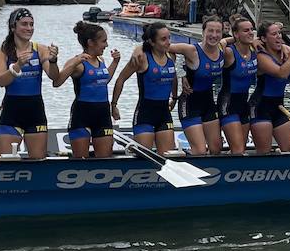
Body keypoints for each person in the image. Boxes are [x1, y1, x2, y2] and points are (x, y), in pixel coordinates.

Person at [0, 8, 61, 159]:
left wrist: (53, 61)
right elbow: (1, 81)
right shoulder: (2, 52)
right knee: (5, 162)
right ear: (13, 27)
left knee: (38, 162)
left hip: (35, 111)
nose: (29, 28)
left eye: (31, 24)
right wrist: (17, 65)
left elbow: (54, 77)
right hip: (12, 111)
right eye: (24, 24)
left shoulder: (40, 49)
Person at [54, 22, 120, 159]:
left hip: (103, 115)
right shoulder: (77, 63)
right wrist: (74, 62)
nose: (106, 45)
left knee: (105, 161)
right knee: (81, 163)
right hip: (81, 115)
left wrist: (115, 62)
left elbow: (104, 80)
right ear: (90, 42)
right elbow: (57, 82)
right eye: (104, 41)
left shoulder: (101, 59)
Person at [111, 23, 180, 154]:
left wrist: (175, 97)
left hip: (164, 114)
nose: (168, 42)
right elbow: (121, 79)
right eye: (163, 39)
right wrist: (114, 105)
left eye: (169, 38)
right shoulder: (141, 57)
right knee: (145, 158)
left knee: (168, 158)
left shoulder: (171, 56)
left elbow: (173, 76)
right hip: (144, 114)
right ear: (152, 42)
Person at [249, 22, 290, 154]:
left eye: (280, 33)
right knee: (264, 152)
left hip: (279, 106)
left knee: (289, 150)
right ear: (263, 39)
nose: (279, 37)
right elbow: (282, 73)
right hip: (260, 107)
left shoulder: (285, 51)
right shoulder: (261, 56)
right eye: (274, 34)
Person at [170, 16, 226, 155]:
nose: (214, 35)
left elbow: (232, 39)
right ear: (203, 32)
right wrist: (181, 72)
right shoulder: (191, 50)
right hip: (189, 103)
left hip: (207, 103)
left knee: (216, 149)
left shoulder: (221, 47)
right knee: (200, 150)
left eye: (218, 32)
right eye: (210, 31)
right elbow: (163, 46)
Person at [217, 15, 260, 154]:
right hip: (228, 103)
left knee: (241, 149)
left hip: (243, 104)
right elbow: (211, 52)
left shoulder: (254, 49)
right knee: (238, 150)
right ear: (236, 33)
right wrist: (185, 76)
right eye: (246, 30)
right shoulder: (229, 52)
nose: (250, 33)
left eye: (252, 30)